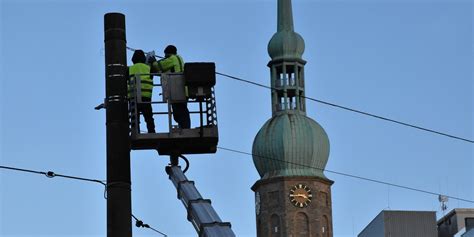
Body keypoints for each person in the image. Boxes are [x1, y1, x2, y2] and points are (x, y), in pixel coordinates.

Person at [150, 45, 190, 129]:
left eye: (165, 55)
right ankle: (184, 127)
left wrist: (153, 61)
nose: (164, 57)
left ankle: (184, 128)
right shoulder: (179, 59)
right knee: (182, 110)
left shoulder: (172, 59)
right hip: (183, 90)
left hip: (176, 90)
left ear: (168, 53)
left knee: (179, 111)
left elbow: (159, 66)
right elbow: (165, 70)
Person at [129, 49, 155, 133]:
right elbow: (151, 77)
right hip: (146, 97)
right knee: (148, 117)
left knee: (135, 117)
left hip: (133, 96)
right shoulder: (148, 68)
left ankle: (136, 131)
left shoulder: (129, 69)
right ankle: (151, 131)